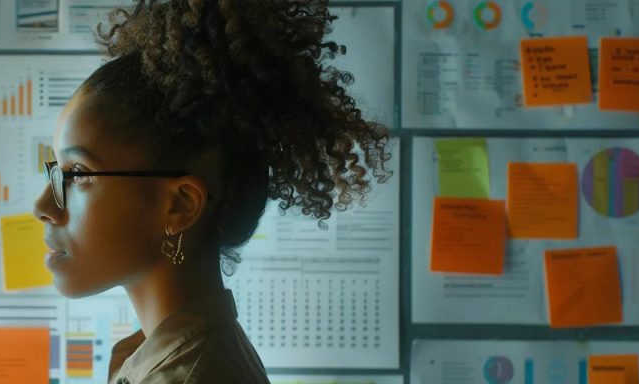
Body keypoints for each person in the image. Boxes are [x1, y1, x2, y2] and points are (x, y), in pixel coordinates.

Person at [32, 0, 391, 382]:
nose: (43, 206)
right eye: (56, 171)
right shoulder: (179, 354)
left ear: (179, 205)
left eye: (78, 173)